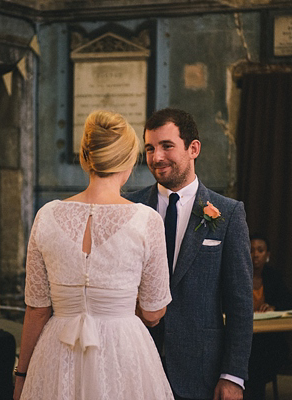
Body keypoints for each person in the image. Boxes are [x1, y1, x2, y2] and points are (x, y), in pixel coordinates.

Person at [13, 110, 174, 400]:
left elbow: (37, 309)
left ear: (86, 159)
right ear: (129, 161)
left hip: (57, 353)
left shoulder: (46, 216)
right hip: (122, 353)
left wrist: (22, 375)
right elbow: (153, 312)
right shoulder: (146, 220)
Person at [126, 108, 253, 400]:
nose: (156, 157)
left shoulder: (229, 214)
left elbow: (240, 303)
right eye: (149, 148)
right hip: (135, 364)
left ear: (193, 148)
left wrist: (233, 375)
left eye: (166, 146)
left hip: (200, 371)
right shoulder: (128, 208)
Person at [245, 234, 292, 400]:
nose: (256, 254)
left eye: (260, 250)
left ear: (268, 255)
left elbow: (290, 302)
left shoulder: (273, 276)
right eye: (251, 250)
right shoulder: (238, 276)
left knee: (263, 352)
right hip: (243, 336)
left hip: (267, 338)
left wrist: (274, 308)